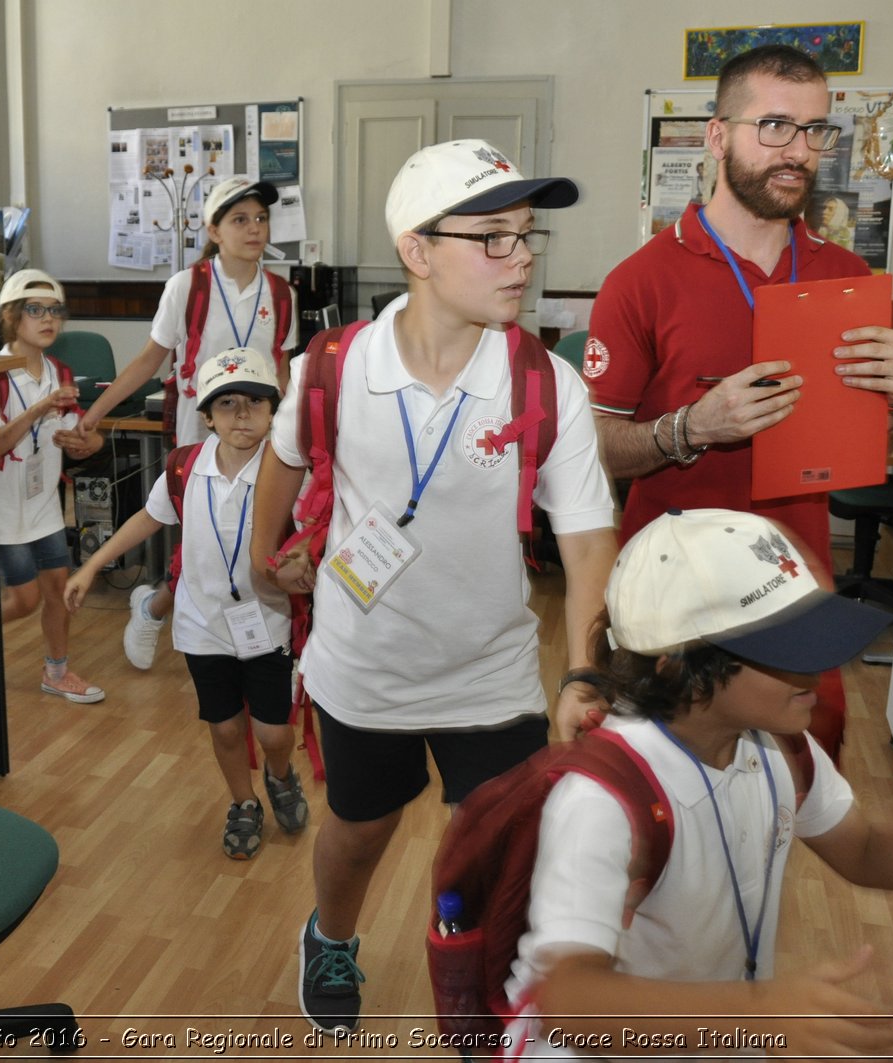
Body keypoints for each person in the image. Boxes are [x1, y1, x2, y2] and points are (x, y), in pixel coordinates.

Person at [250, 139, 620, 1033]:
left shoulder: (545, 382)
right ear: (418, 251)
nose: (521, 257)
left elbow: (586, 537)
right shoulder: (334, 367)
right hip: (363, 663)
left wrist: (583, 670)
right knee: (360, 827)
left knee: (492, 854)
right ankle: (331, 933)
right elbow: (283, 457)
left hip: (489, 672)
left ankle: (472, 982)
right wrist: (267, 553)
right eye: (493, 237)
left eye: (527, 236)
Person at [506, 508, 893, 1058]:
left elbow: (864, 849)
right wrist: (756, 1015)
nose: (817, 671)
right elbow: (569, 1002)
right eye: (787, 650)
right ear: (680, 666)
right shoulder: (602, 799)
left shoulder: (775, 745)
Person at [582, 44, 893, 758]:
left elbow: (872, 450)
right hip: (675, 601)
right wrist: (690, 428)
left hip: (794, 588)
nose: (798, 150)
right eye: (773, 126)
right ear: (716, 135)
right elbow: (594, 447)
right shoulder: (640, 281)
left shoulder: (848, 275)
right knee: (661, 805)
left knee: (800, 795)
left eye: (814, 130)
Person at [65, 348, 308, 859]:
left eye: (255, 403)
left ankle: (281, 774)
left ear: (274, 410)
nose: (242, 416)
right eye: (227, 405)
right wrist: (90, 566)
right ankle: (243, 802)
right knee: (222, 725)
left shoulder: (289, 472)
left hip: (267, 620)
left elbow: (312, 535)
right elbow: (145, 520)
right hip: (202, 624)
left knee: (273, 730)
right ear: (207, 416)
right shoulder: (184, 468)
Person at [79, 176, 300, 673]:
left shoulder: (282, 294)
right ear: (214, 230)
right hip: (198, 437)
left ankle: (252, 644)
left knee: (254, 536)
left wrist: (295, 437)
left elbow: (281, 373)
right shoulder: (188, 286)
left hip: (259, 435)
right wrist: (93, 415)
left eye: (261, 218)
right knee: (202, 546)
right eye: (240, 219)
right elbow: (147, 361)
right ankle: (157, 609)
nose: (255, 229)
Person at [0, 268, 106, 705]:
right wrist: (40, 410)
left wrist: (82, 440)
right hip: (5, 511)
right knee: (23, 601)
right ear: (11, 316)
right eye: (35, 310)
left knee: (58, 591)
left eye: (55, 311)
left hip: (44, 507)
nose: (48, 319)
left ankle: (56, 672)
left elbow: (87, 439)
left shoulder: (61, 371)